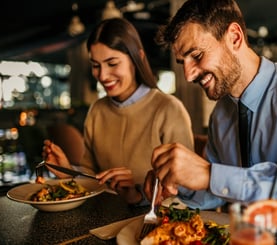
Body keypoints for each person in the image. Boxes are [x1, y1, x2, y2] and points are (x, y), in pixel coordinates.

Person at [143, 0, 277, 244]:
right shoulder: (221, 115)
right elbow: (218, 191)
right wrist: (178, 181)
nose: (189, 74)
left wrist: (210, 174)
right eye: (184, 63)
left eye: (197, 55)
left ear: (234, 37)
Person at [42, 17, 194, 206]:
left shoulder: (169, 109)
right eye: (96, 65)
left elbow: (184, 191)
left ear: (137, 57)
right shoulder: (97, 110)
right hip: (104, 218)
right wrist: (68, 171)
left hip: (154, 223)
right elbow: (93, 178)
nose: (103, 75)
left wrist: (138, 196)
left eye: (112, 63)